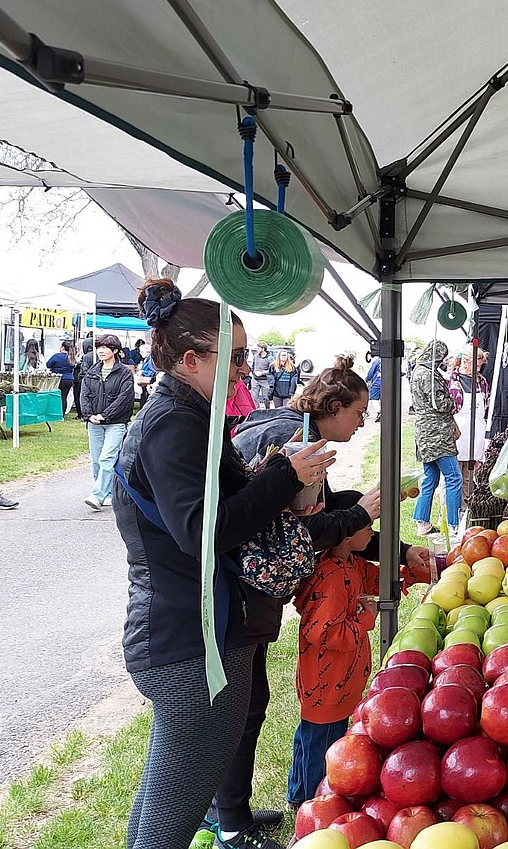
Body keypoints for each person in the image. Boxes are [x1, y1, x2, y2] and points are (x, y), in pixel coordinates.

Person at [112, 278, 336, 849]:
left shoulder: (191, 417)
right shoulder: (174, 425)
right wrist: (285, 477)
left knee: (172, 790)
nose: (243, 370)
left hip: (193, 630)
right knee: (176, 800)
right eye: (234, 358)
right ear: (190, 360)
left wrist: (272, 476)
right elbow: (203, 531)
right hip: (187, 639)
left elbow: (218, 506)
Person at [220, 355, 426, 845]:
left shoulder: (298, 438)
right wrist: (360, 512)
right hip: (242, 591)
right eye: (357, 413)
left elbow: (324, 520)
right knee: (238, 711)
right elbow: (300, 531)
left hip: (251, 591)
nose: (361, 422)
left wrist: (384, 538)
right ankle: (226, 820)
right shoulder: (293, 444)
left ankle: (232, 814)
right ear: (332, 407)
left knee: (249, 706)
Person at [284, 492, 431, 808]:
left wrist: (413, 573)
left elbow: (377, 579)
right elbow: (325, 632)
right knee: (323, 745)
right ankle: (312, 801)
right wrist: (366, 618)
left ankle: (299, 793)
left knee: (311, 739)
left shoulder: (350, 564)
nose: (373, 535)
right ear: (347, 534)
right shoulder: (331, 578)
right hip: (326, 685)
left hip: (339, 683)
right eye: (369, 528)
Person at [410, 339, 462, 536]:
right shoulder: (429, 375)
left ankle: (422, 521)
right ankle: (454, 524)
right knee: (454, 477)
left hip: (424, 433)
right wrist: (454, 398)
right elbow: (440, 404)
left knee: (430, 477)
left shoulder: (418, 371)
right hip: (437, 434)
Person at [80, 335, 136, 511]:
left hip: (116, 423)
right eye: (99, 347)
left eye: (105, 347)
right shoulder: (92, 372)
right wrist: (89, 415)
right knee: (97, 460)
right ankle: (108, 493)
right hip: (94, 423)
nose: (101, 351)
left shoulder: (125, 373)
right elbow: (84, 395)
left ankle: (97, 495)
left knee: (107, 458)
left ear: (116, 351)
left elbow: (124, 398)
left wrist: (105, 415)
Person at [449, 345, 490, 482]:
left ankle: (466, 503)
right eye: (476, 366)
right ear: (465, 362)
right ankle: (451, 503)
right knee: (454, 475)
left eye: (480, 366)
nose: (478, 369)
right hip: (457, 429)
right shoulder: (450, 380)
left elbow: (487, 404)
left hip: (476, 431)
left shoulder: (481, 381)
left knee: (469, 476)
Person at [46, 339, 78, 416]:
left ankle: (56, 413)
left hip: (58, 379)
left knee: (57, 396)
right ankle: (62, 414)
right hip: (69, 379)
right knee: (64, 396)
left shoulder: (57, 356)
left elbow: (48, 364)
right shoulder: (72, 357)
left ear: (62, 348)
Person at [250, 342, 273, 409]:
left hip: (265, 380)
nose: (257, 349)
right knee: (254, 397)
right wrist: (254, 372)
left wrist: (262, 373)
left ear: (263, 349)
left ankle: (267, 410)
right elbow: (253, 366)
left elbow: (271, 370)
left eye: (258, 348)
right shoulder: (255, 356)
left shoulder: (270, 358)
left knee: (266, 398)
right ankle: (257, 411)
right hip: (255, 380)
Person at [365, 355, 382, 423]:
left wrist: (368, 379)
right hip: (388, 382)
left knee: (373, 397)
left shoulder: (377, 361)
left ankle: (379, 412)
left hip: (377, 382)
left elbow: (372, 371)